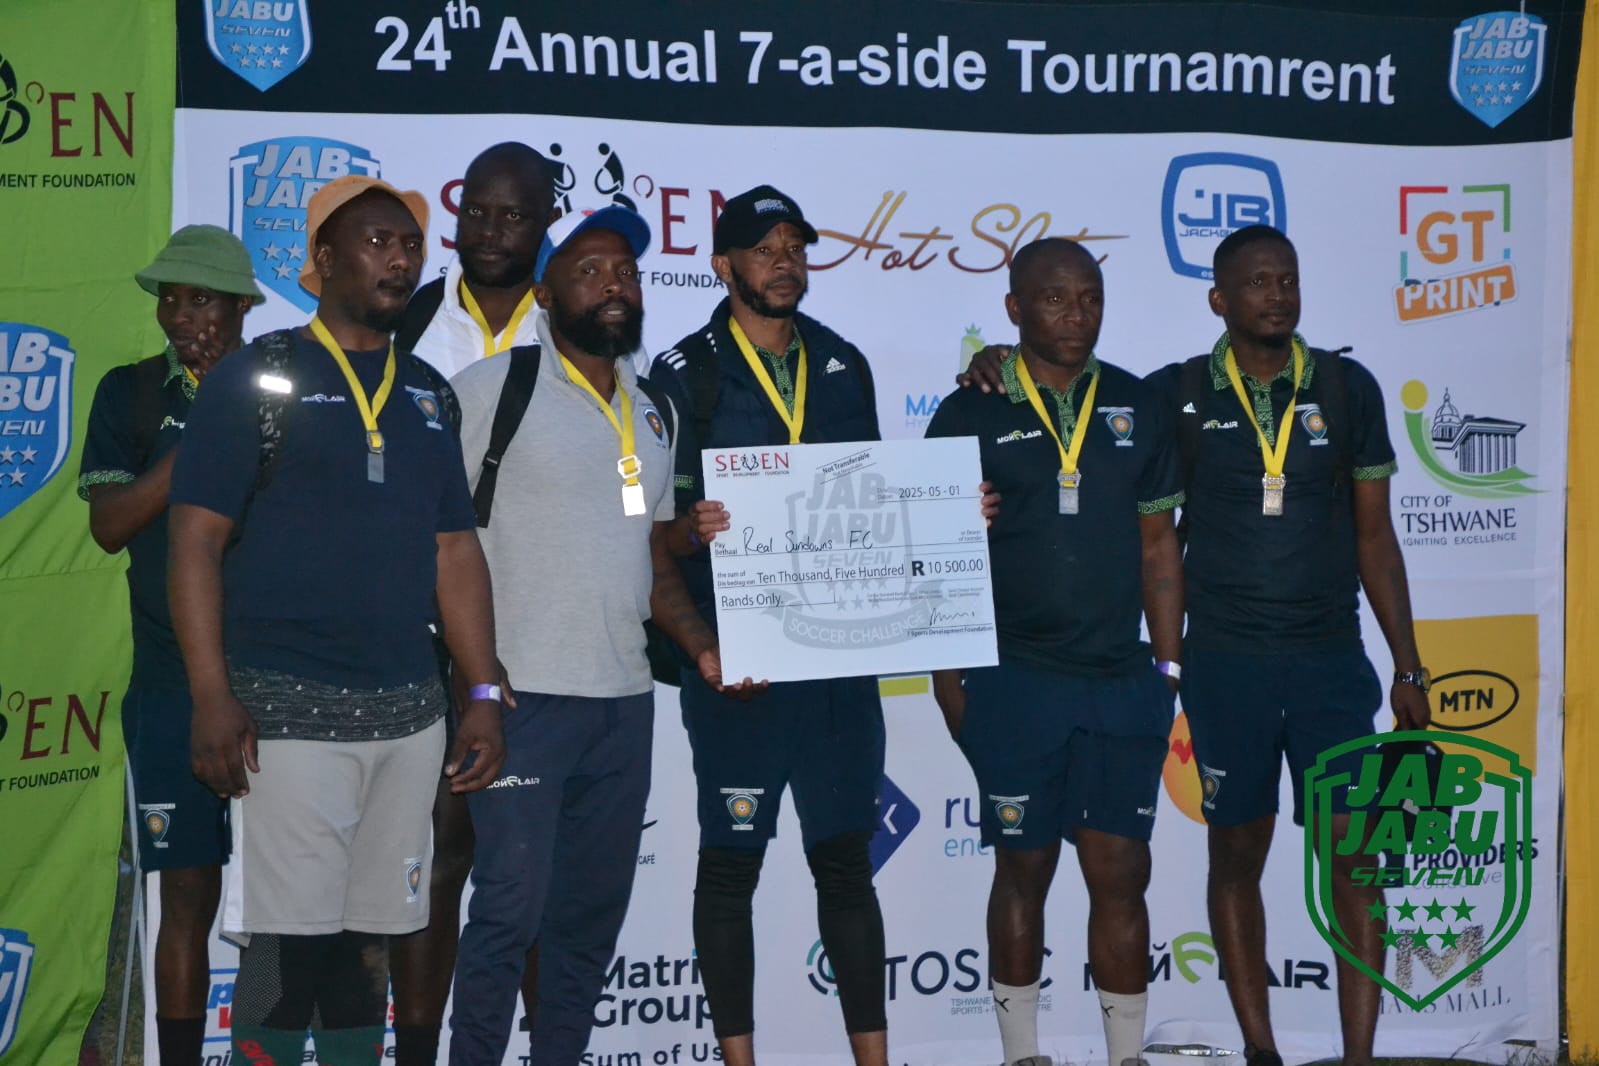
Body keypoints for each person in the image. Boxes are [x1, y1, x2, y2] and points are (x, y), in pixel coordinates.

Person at [964, 224, 1429, 1066]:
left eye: (1287, 280)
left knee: (1356, 856)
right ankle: (1259, 1049)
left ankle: (1360, 1056)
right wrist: (995, 360)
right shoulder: (1169, 397)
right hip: (1223, 666)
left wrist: (1407, 664)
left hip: (1331, 664)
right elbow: (1070, 404)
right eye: (1256, 282)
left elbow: (1375, 536)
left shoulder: (1345, 386)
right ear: (1217, 299)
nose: (1276, 296)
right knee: (1235, 855)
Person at [167, 176, 507, 1066]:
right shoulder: (255, 378)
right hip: (285, 715)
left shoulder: (429, 393)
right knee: (288, 954)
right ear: (321, 259)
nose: (400, 260)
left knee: (366, 952)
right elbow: (195, 542)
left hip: (409, 721)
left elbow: (454, 552)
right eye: (376, 242)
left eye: (410, 245)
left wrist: (480, 690)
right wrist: (211, 694)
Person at [446, 204, 735, 1065]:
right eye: (590, 270)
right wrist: (477, 682)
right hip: (521, 699)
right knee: (507, 914)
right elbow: (435, 540)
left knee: (585, 925)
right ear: (544, 292)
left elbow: (649, 556)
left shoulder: (654, 409)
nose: (615, 285)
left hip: (622, 704)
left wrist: (703, 646)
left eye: (628, 272)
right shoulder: (488, 392)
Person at [647, 185, 890, 1066]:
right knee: (729, 867)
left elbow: (876, 503)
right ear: (722, 265)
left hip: (837, 657)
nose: (784, 262)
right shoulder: (679, 373)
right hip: (735, 659)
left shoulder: (844, 362)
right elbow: (649, 532)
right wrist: (691, 529)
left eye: (795, 246)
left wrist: (947, 515)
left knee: (847, 866)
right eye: (763, 248)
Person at [927, 238, 1183, 1066]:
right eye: (1053, 299)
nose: (1076, 315)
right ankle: (1021, 1055)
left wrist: (1168, 670)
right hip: (1013, 679)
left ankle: (1126, 1056)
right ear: (1013, 309)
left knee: (1121, 870)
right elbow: (932, 552)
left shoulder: (1138, 404)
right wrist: (946, 681)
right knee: (1022, 868)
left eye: (1090, 298)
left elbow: (1158, 547)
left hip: (1117, 681)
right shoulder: (968, 409)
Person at [387, 140, 558, 1066]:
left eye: (514, 216)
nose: (491, 232)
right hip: (420, 630)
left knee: (533, 877)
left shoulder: (579, 324)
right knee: (438, 858)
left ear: (545, 225)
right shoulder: (404, 320)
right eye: (477, 214)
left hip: (547, 632)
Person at [78, 224, 260, 1066]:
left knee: (289, 901)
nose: (182, 316)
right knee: (184, 895)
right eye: (171, 299)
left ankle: (270, 1050)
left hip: (280, 682)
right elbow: (110, 525)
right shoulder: (130, 393)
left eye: (203, 299)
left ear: (243, 305)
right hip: (169, 685)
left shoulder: (287, 388)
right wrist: (204, 436)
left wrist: (239, 404)